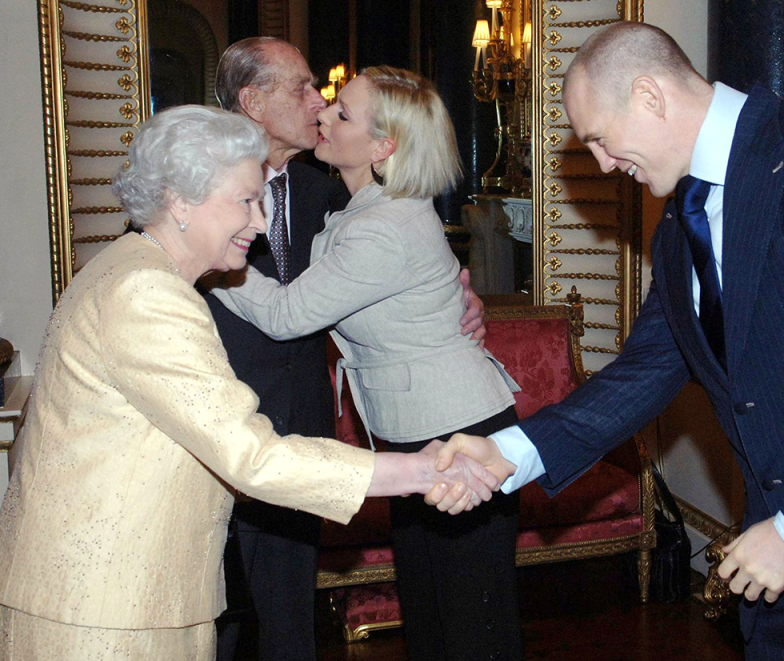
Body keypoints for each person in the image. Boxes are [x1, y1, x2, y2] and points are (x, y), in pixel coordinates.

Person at [436, 21, 784, 661]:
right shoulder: (679, 225)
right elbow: (648, 370)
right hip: (777, 578)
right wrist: (511, 452)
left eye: (600, 139)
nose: (602, 164)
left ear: (650, 96)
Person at [0, 105, 496, 660]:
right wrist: (423, 467)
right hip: (106, 608)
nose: (261, 223)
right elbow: (251, 457)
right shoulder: (147, 293)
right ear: (179, 200)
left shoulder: (132, 266)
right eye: (245, 201)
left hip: (118, 590)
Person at [213, 66, 525, 661]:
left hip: (454, 430)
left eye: (342, 113)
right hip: (412, 434)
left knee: (472, 621)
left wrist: (206, 258)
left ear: (383, 148)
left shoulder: (384, 224)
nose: (322, 114)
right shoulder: (357, 206)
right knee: (434, 614)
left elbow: (285, 315)